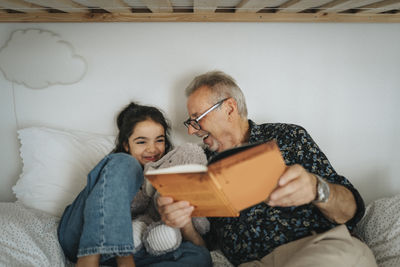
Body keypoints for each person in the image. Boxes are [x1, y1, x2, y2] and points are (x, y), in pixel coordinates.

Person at [157, 71, 377, 267]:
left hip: (315, 247)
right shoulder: (201, 165)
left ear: (229, 108)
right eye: (191, 122)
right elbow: (207, 249)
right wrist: (184, 224)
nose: (192, 131)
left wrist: (316, 188)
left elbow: (351, 212)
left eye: (198, 119)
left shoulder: (288, 137)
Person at [57, 102, 212, 267]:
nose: (152, 149)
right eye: (141, 142)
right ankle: (96, 258)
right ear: (126, 144)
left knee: (200, 256)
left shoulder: (169, 173)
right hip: (80, 240)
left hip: (134, 251)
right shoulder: (117, 166)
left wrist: (184, 221)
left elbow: (198, 245)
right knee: (125, 162)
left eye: (159, 140)